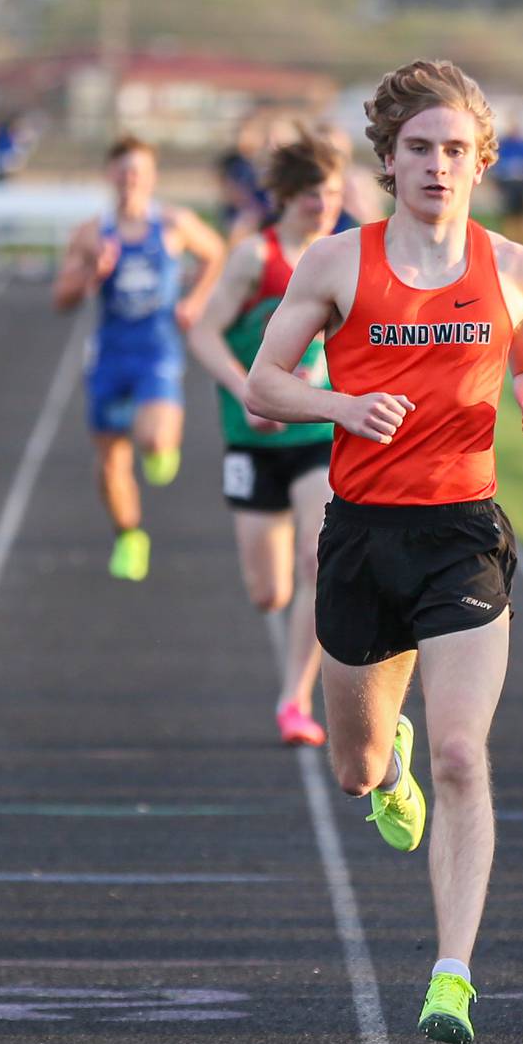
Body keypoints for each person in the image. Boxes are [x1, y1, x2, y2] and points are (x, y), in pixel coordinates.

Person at [245, 58, 523, 1044]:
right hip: (361, 536)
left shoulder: (514, 267)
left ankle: (452, 974)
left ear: (480, 162)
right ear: (388, 160)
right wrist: (342, 403)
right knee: (355, 767)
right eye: (419, 148)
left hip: (462, 534)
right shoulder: (338, 263)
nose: (437, 165)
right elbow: (263, 384)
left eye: (455, 150)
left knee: (467, 753)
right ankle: (392, 771)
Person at [186, 129, 345, 747]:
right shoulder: (257, 257)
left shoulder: (340, 257)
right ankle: (293, 687)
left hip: (313, 437)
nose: (324, 205)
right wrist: (246, 390)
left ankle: (294, 702)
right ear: (286, 195)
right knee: (268, 591)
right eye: (312, 194)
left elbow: (348, 343)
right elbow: (203, 332)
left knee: (316, 559)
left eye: (332, 193)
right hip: (251, 441)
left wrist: (321, 378)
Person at [52, 135, 225, 582]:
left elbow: (215, 253)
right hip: (110, 356)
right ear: (110, 176)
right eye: (123, 171)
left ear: (150, 178)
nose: (130, 179)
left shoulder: (173, 224)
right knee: (110, 460)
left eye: (139, 172)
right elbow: (62, 297)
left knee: (154, 438)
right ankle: (129, 536)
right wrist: (94, 272)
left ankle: (158, 446)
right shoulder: (91, 234)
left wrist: (195, 300)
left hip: (157, 351)